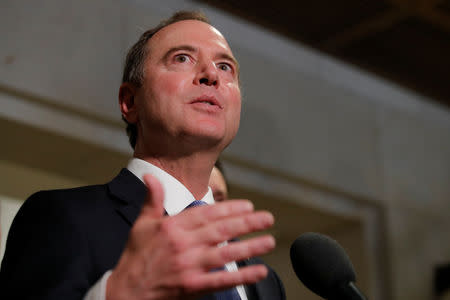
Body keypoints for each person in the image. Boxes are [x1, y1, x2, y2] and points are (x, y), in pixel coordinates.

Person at [0, 11, 285, 300]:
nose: (212, 75)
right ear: (130, 101)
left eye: (225, 67)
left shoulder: (266, 282)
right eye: (182, 58)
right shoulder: (62, 218)